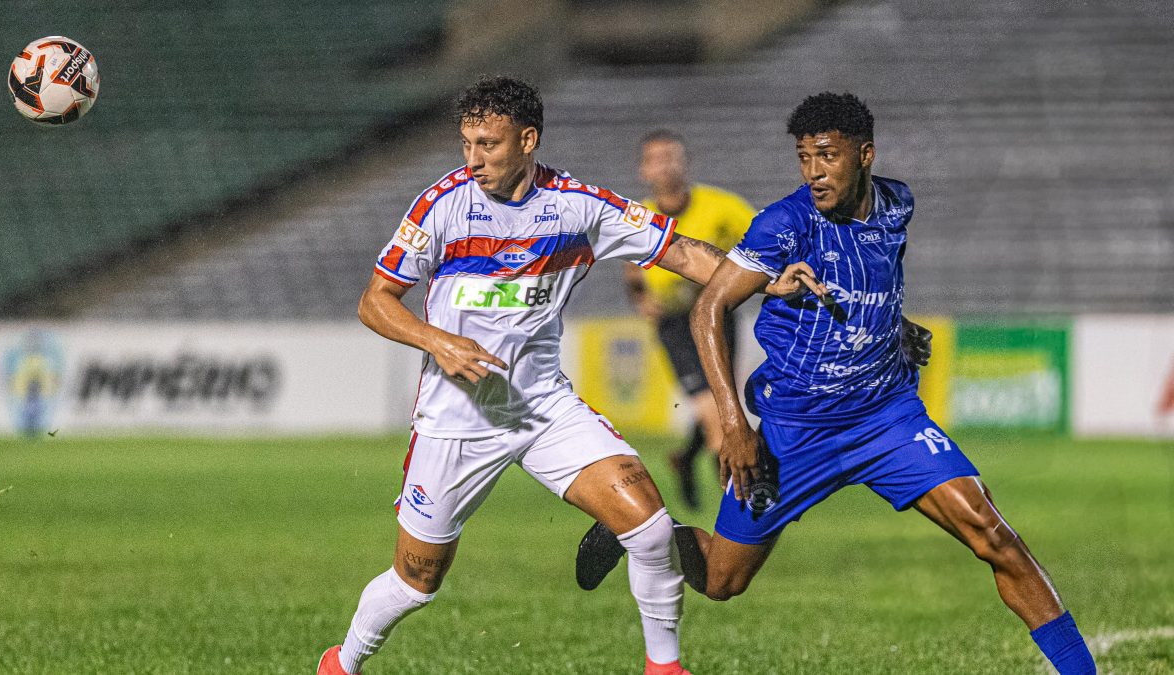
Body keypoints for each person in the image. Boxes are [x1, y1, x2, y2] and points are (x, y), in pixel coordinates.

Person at [576, 92, 1096, 674]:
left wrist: (894, 327)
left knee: (992, 534)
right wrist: (731, 425)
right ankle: (644, 536)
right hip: (795, 430)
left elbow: (875, 277)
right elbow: (708, 310)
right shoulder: (785, 224)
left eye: (827, 156)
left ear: (865, 154)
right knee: (722, 581)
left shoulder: (897, 204)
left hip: (886, 419)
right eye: (804, 158)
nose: (814, 172)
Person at [316, 75, 751, 675]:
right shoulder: (442, 204)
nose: (473, 160)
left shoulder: (577, 206)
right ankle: (341, 664)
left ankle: (665, 667)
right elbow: (376, 301)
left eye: (488, 145)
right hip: (457, 420)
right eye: (467, 144)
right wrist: (436, 339)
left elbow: (683, 254)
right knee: (416, 581)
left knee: (650, 529)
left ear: (528, 140)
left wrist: (765, 279)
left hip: (543, 409)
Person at [625, 129, 756, 509]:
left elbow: (759, 243)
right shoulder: (638, 218)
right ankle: (742, 510)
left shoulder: (722, 206)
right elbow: (632, 272)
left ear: (685, 162)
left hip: (719, 314)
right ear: (644, 170)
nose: (666, 165)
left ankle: (684, 459)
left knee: (721, 399)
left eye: (672, 156)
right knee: (716, 416)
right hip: (675, 324)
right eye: (657, 159)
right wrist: (640, 299)